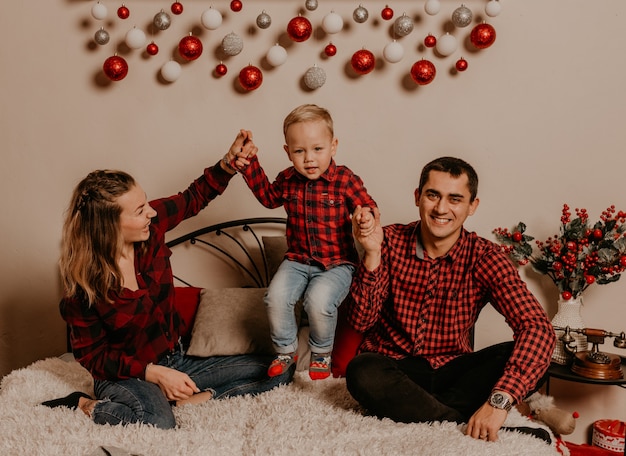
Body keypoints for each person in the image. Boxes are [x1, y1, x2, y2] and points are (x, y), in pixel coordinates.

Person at [42, 130, 296, 429]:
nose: (151, 211)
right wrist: (152, 373)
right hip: (126, 376)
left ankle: (192, 399)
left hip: (176, 358)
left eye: (146, 202)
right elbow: (92, 357)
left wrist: (228, 164)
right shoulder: (85, 284)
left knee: (280, 369)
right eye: (139, 211)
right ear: (110, 226)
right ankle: (82, 404)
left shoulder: (151, 229)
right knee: (158, 422)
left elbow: (192, 198)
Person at [346, 156, 556, 442]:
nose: (441, 208)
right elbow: (361, 320)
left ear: (472, 206)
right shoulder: (388, 241)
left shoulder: (485, 257)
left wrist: (499, 402)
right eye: (433, 195)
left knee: (535, 353)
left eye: (455, 199)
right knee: (362, 370)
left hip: (454, 374)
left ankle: (428, 413)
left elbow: (536, 326)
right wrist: (371, 254)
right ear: (418, 197)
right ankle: (457, 423)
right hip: (394, 371)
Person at [235, 104, 378, 380]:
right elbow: (268, 197)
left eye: (317, 149)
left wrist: (366, 217)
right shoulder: (287, 180)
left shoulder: (344, 179)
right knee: (275, 298)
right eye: (299, 151)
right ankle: (286, 350)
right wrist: (250, 163)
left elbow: (367, 204)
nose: (309, 159)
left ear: (333, 146)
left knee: (318, 300)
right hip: (297, 260)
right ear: (288, 152)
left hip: (338, 264)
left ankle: (321, 353)